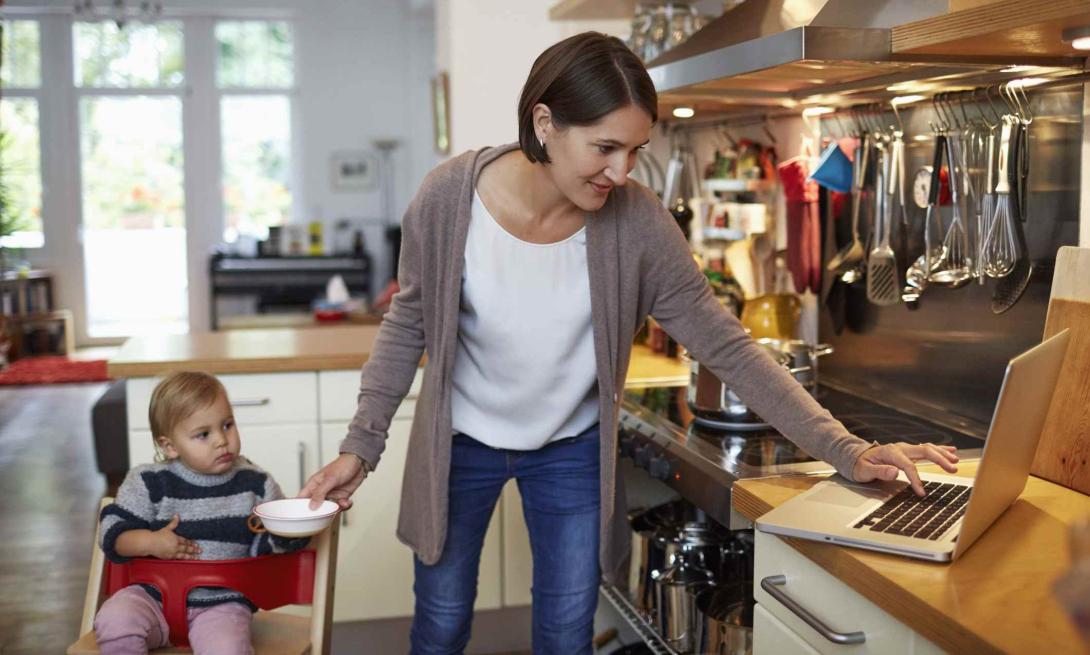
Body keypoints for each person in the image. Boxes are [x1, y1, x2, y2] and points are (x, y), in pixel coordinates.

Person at [300, 31, 960, 654]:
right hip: (459, 442)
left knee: (564, 632)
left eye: (635, 151)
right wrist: (362, 446)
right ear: (543, 125)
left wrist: (845, 448)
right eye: (605, 147)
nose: (621, 172)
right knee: (441, 623)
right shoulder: (449, 200)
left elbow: (727, 344)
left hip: (571, 450)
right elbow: (406, 324)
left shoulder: (637, 224)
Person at [94, 371, 309, 655]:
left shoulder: (255, 484)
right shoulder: (148, 482)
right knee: (114, 620)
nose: (222, 440)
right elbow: (111, 533)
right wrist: (149, 542)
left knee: (227, 649)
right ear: (169, 446)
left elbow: (268, 548)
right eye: (203, 434)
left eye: (228, 425)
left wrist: (292, 529)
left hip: (222, 605)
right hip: (149, 600)